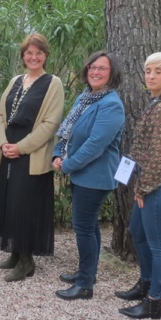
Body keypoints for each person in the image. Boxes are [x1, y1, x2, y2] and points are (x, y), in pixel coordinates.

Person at [0, 34, 64, 280]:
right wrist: (4, 143)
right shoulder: (17, 80)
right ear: (23, 56)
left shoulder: (53, 83)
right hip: (9, 151)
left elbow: (51, 123)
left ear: (45, 55)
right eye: (29, 53)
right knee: (9, 202)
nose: (33, 57)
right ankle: (15, 253)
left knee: (24, 205)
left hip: (31, 154)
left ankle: (27, 260)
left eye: (38, 53)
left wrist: (21, 147)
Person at [115, 53, 161, 319]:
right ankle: (145, 283)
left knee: (158, 245)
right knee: (138, 231)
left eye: (158, 71)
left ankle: (155, 301)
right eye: (148, 71)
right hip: (150, 181)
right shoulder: (157, 102)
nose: (151, 76)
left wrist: (143, 189)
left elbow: (158, 153)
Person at [53, 51, 125, 300]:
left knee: (83, 227)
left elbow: (96, 144)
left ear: (112, 73)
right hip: (80, 172)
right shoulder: (86, 97)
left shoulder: (111, 104)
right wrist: (57, 154)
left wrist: (68, 164)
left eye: (102, 69)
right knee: (90, 225)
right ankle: (88, 273)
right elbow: (67, 131)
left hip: (95, 176)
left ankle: (85, 285)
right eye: (92, 67)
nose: (95, 72)